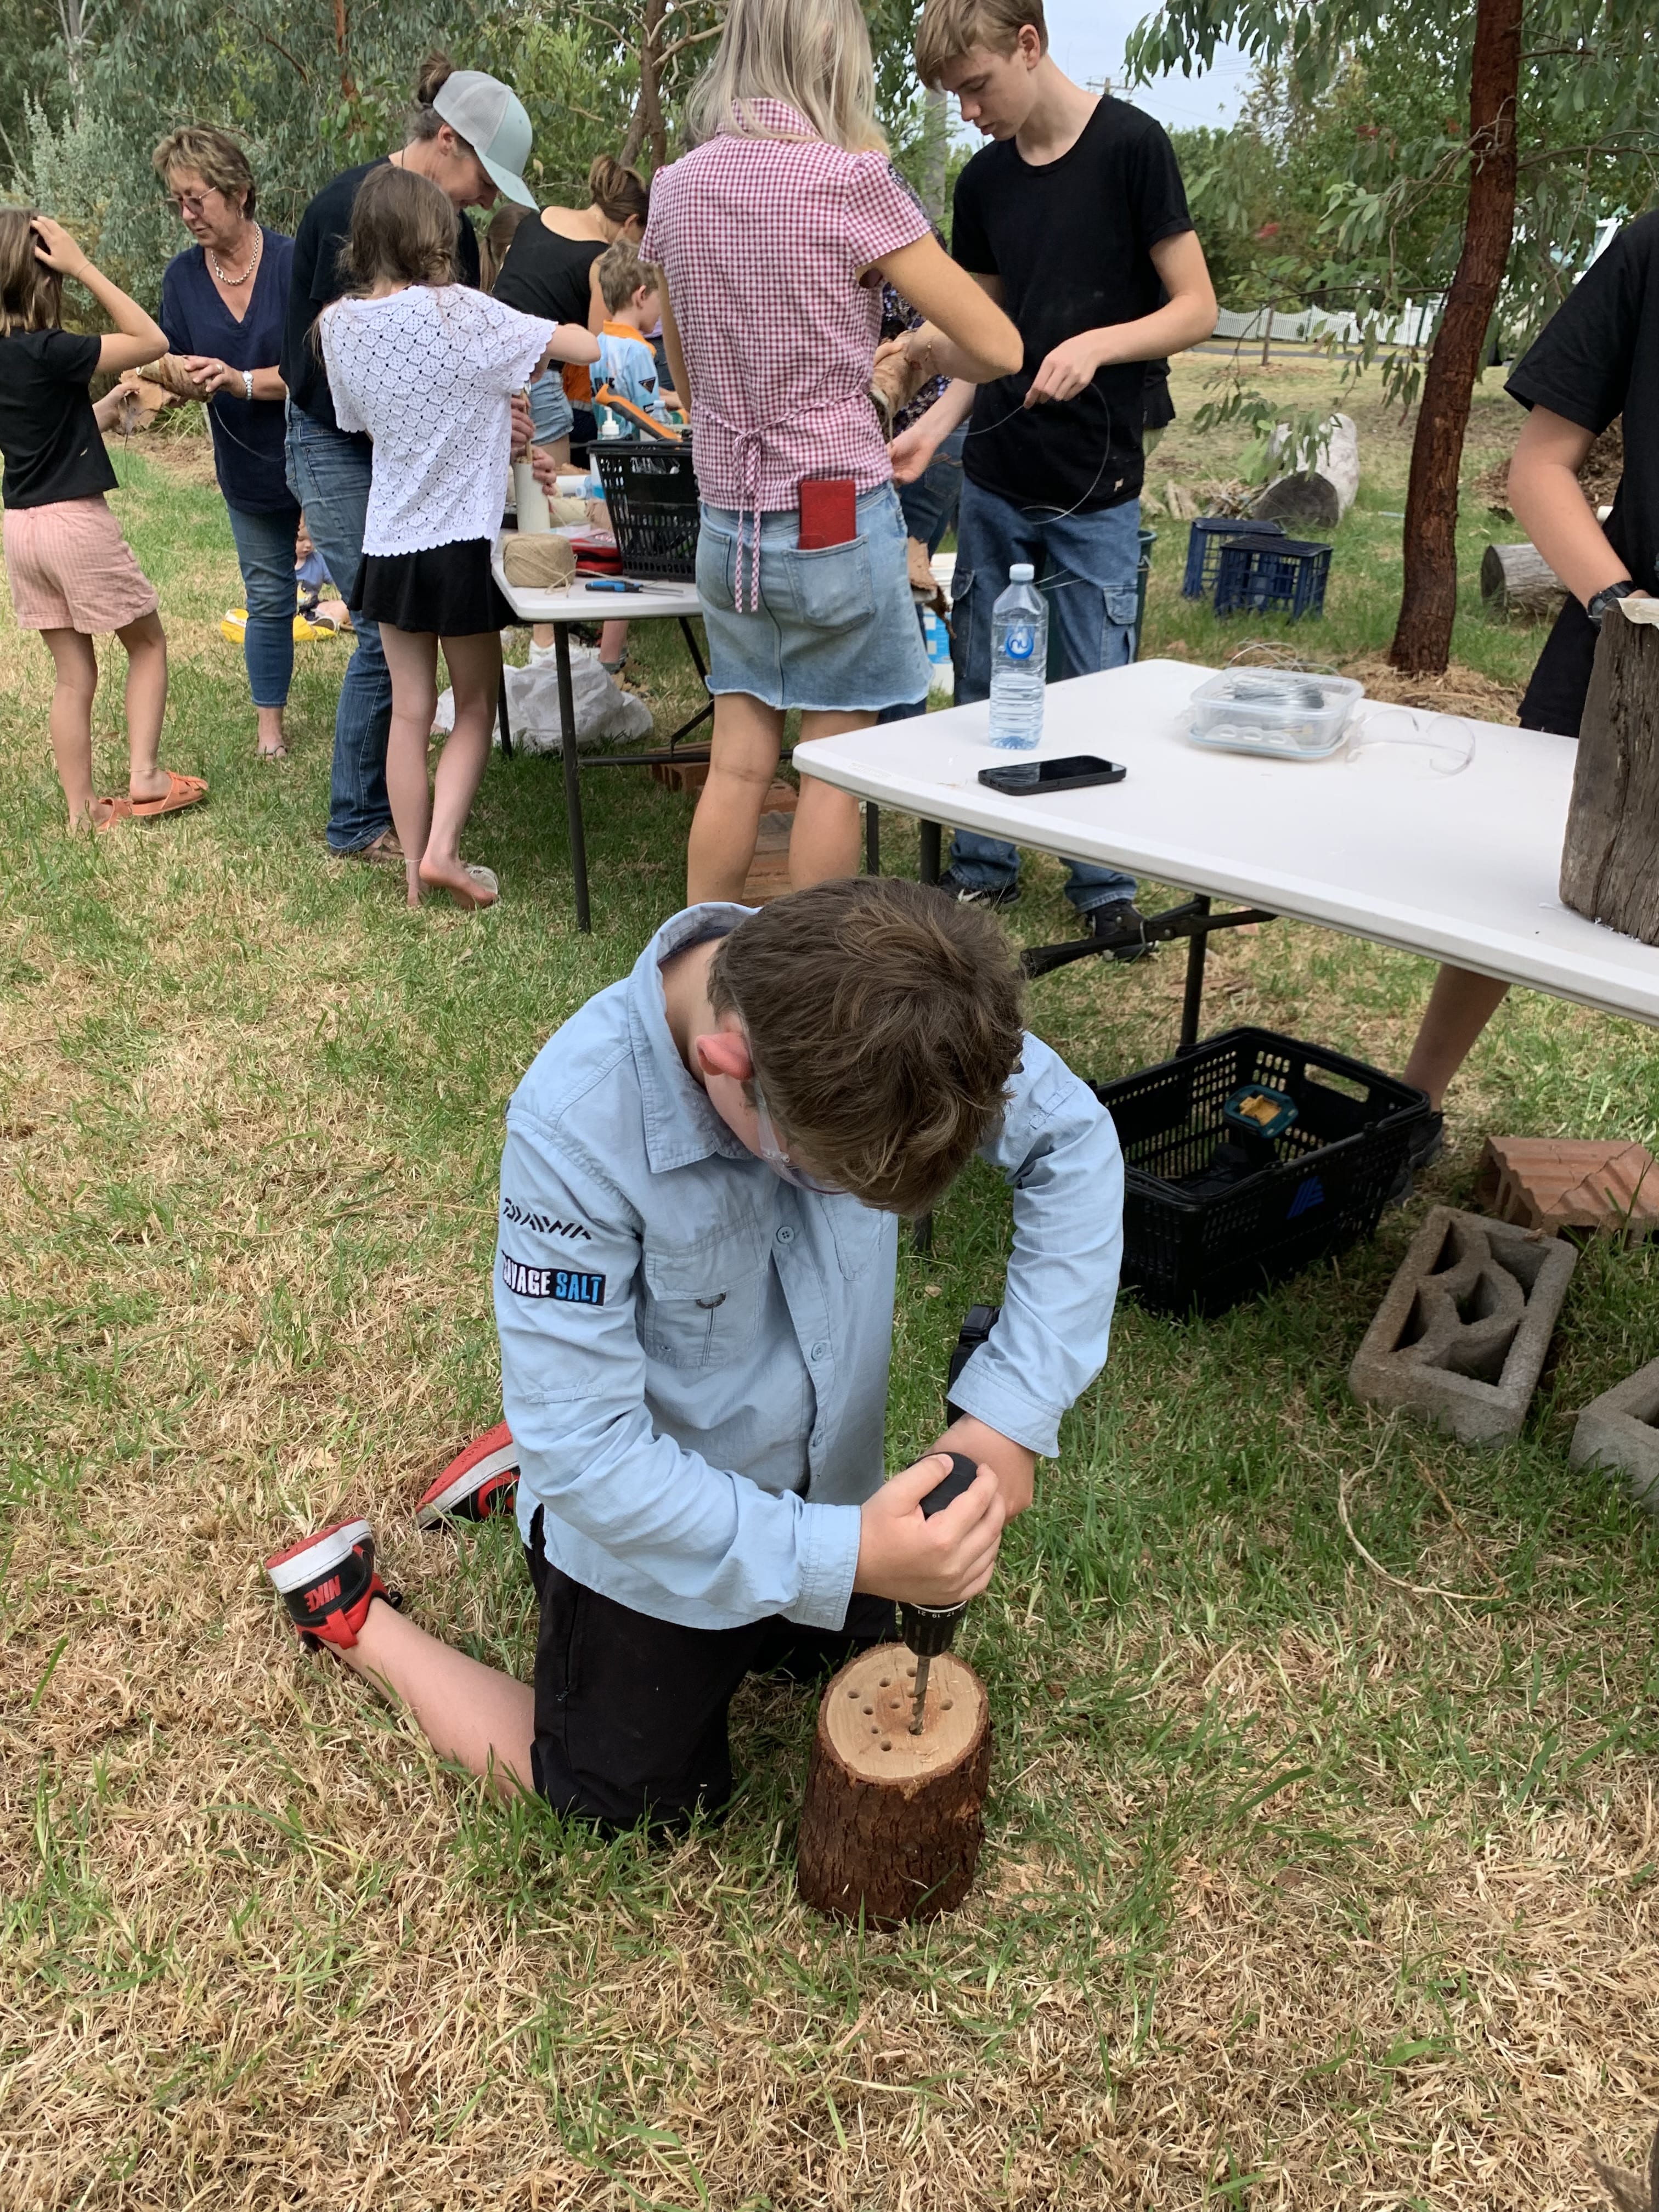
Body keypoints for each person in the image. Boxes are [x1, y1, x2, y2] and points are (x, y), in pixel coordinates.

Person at [263, 877, 1124, 1831]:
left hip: (829, 1490)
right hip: (646, 1522)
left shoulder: (889, 1000)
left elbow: (1072, 1139)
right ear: (726, 1063)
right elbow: (588, 1454)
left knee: (831, 1661)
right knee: (626, 1805)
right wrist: (845, 1553)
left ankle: (541, 1433)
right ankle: (356, 1614)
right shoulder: (575, 1125)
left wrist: (1009, 1414)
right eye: (827, 1178)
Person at [640, 0, 1024, 902]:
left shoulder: (675, 190)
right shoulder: (849, 182)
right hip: (831, 516)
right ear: (828, 51)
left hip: (728, 520)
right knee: (831, 767)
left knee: (737, 762)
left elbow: (687, 384)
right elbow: (999, 347)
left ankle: (695, 957)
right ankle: (810, 970)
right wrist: (916, 352)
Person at [891, 0, 1216, 943]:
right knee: (983, 678)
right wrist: (933, 426)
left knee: (1092, 684)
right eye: (954, 97)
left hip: (1096, 483)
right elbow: (979, 336)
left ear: (1027, 45)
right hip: (995, 473)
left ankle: (1101, 883)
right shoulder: (984, 181)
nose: (967, 113)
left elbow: (1196, 307)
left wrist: (1098, 344)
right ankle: (982, 867)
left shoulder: (1132, 148)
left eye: (975, 87)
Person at [1392, 210, 1659, 1173]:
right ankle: (1412, 1108)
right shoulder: (1649, 250)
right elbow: (1538, 466)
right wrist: (1624, 615)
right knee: (1521, 878)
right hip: (1624, 636)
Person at [282, 54, 539, 864]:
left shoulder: (451, 230)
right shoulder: (344, 208)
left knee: (396, 641)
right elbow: (317, 369)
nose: (487, 200)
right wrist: (426, 427)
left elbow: (452, 355)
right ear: (447, 139)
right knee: (378, 631)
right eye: (486, 178)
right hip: (332, 439)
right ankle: (360, 822)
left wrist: (492, 409)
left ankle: (408, 827)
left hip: (398, 452)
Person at [318, 166, 597, 911]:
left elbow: (367, 423)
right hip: (459, 543)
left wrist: (481, 416)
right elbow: (581, 346)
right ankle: (445, 850)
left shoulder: (336, 326)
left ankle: (415, 875)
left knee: (409, 712)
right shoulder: (462, 310)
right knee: (474, 703)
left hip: (390, 544)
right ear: (435, 234)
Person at [0, 210, 205, 830]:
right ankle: (146, 777)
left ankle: (82, 811)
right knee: (147, 643)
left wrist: (108, 408)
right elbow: (151, 340)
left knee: (72, 675)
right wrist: (84, 265)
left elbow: (40, 435)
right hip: (73, 524)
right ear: (46, 279)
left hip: (22, 529)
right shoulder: (53, 349)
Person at [149, 127, 300, 761]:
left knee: (369, 589)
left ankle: (402, 711)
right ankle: (270, 732)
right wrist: (174, 379)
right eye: (177, 202)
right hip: (246, 465)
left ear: (238, 193)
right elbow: (170, 361)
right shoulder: (181, 279)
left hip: (324, 454)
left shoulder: (294, 262)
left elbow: (321, 368)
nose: (187, 215)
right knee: (268, 596)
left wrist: (242, 380)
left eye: (196, 199)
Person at [493, 153, 652, 462]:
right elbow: (599, 351)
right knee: (551, 485)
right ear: (631, 222)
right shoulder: (602, 260)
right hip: (539, 382)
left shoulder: (539, 218)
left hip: (493, 371)